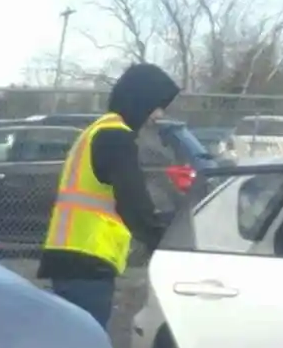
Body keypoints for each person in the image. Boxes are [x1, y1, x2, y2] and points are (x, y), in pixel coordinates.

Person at [37, 62, 182, 330]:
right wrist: (165, 245)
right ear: (139, 100)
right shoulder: (115, 138)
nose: (159, 115)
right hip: (88, 263)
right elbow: (135, 204)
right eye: (157, 105)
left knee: (73, 346)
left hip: (70, 258)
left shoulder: (97, 131)